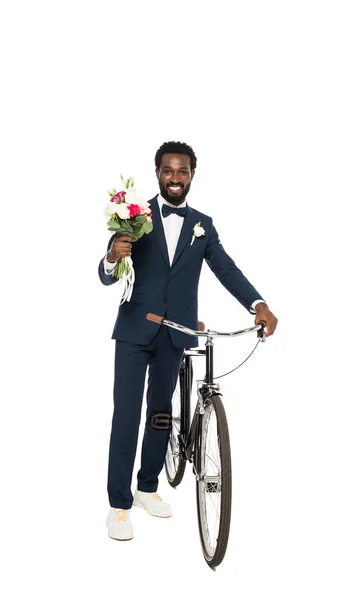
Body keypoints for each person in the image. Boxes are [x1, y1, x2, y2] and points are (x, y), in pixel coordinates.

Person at [98, 141, 278, 541]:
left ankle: (147, 488)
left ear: (192, 174)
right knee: (125, 417)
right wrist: (113, 255)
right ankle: (119, 506)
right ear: (157, 172)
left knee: (160, 413)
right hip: (133, 330)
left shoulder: (203, 224)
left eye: (182, 171)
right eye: (168, 171)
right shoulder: (135, 215)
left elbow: (226, 269)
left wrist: (258, 303)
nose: (175, 178)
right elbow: (107, 274)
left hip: (176, 332)